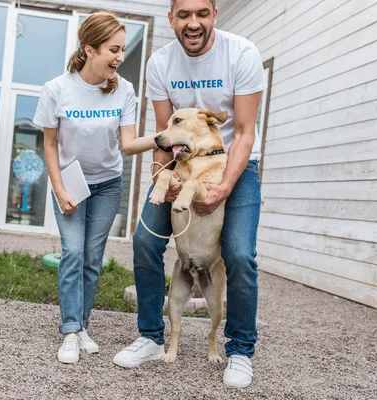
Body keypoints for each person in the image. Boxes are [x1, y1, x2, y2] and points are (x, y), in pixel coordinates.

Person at [112, 0, 265, 388]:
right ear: (171, 19)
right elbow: (165, 135)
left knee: (239, 255)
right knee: (145, 241)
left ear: (214, 15)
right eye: (184, 15)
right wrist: (161, 173)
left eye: (201, 14)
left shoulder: (242, 54)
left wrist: (224, 186)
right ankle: (149, 336)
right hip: (182, 163)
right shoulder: (160, 63)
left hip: (234, 163)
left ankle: (240, 349)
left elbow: (244, 132)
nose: (192, 23)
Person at [33, 11, 157, 364]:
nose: (120, 57)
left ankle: (81, 325)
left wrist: (162, 139)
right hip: (71, 180)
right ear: (89, 49)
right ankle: (70, 331)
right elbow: (50, 144)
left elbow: (129, 144)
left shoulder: (125, 90)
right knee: (72, 252)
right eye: (113, 50)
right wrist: (58, 188)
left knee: (91, 258)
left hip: (107, 184)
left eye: (121, 50)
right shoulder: (57, 89)